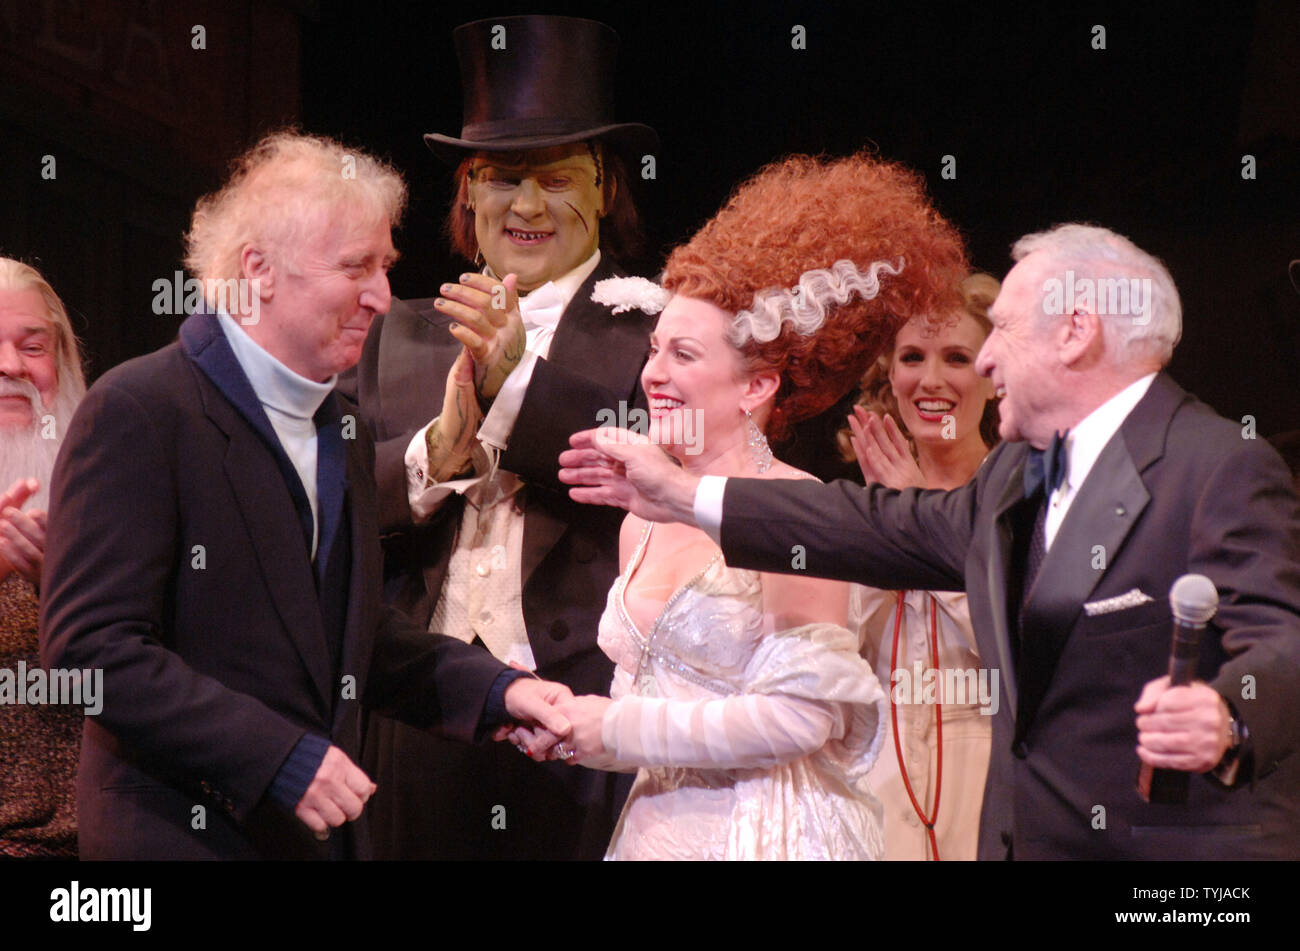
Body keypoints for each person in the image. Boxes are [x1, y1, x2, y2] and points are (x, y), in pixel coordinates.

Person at [560, 223, 1300, 859]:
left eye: (1002, 330)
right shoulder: (1019, 472)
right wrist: (686, 495)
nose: (983, 360)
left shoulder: (1219, 464)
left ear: (1077, 332)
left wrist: (1231, 712)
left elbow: (1283, 639)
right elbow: (871, 524)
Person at [37, 131, 571, 860]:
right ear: (258, 270)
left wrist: (496, 691)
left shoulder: (339, 428)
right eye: (356, 266)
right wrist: (277, 757)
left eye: (384, 266)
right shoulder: (140, 410)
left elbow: (348, 638)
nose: (382, 297)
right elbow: (88, 655)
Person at [526, 152, 968, 859]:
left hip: (770, 832)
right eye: (655, 349)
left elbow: (802, 719)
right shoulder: (641, 513)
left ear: (755, 388)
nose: (654, 374)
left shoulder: (796, 509)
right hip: (653, 829)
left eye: (685, 355)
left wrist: (610, 728)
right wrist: (567, 723)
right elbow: (640, 700)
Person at [340, 15, 658, 859]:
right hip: (417, 724)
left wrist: (513, 383)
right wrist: (433, 455)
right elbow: (318, 503)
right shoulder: (390, 333)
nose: (525, 205)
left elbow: (641, 469)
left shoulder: (659, 332)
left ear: (604, 190)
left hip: (585, 719)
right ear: (468, 194)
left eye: (554, 178)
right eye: (501, 178)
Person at [840, 273, 1000, 860]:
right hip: (874, 777)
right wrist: (882, 523)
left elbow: (1026, 653)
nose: (930, 380)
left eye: (956, 358)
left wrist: (920, 520)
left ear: (995, 376)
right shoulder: (859, 504)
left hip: (988, 772)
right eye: (912, 357)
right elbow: (832, 657)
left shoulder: (1027, 498)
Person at [0, 258, 86, 858]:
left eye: (33, 347)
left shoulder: (119, 492)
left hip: (102, 849)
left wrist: (75, 585)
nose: (11, 367)